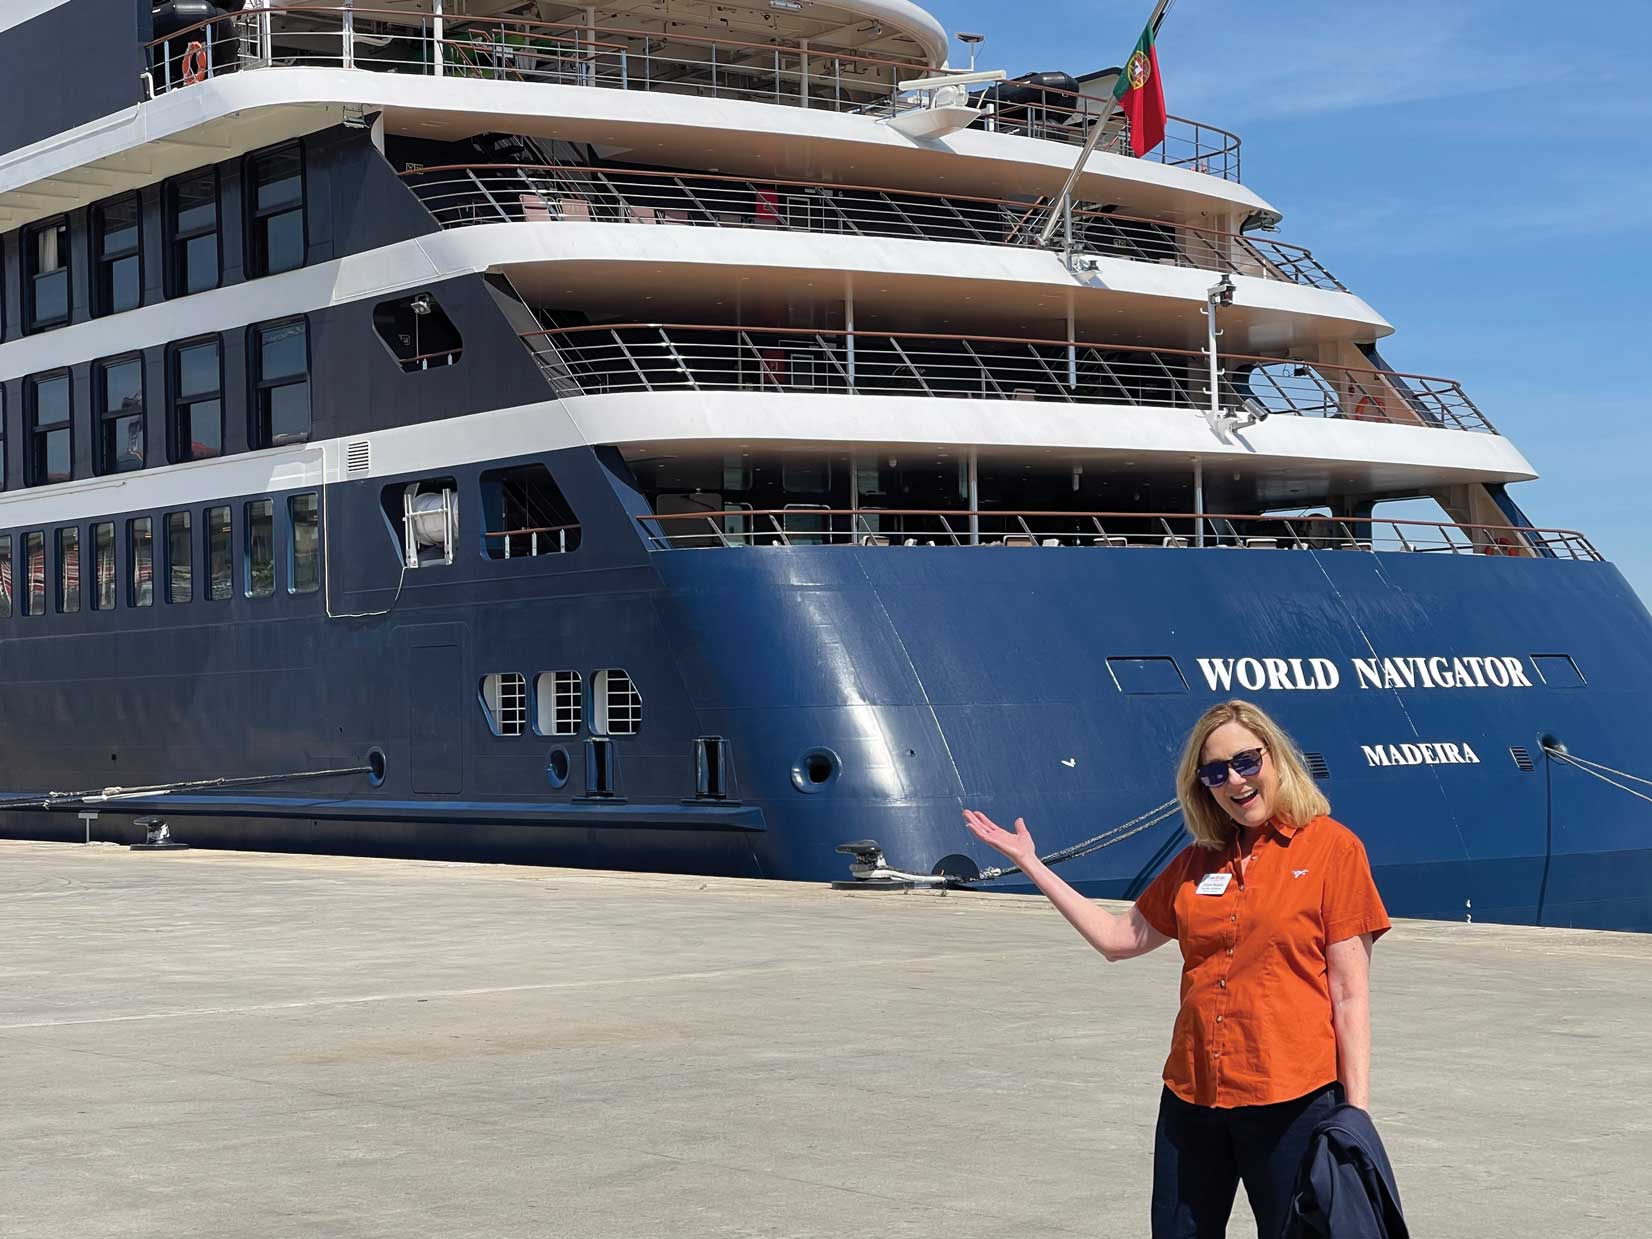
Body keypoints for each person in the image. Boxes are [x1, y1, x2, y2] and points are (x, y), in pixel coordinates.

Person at [962, 699, 1391, 1239]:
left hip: (1291, 1099)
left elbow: (1349, 996)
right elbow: (1118, 940)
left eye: (1246, 761)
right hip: (1193, 1096)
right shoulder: (1196, 861)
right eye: (1216, 773)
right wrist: (1030, 863)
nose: (1235, 781)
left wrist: (1356, 1114)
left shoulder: (1333, 849)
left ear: (1275, 757)